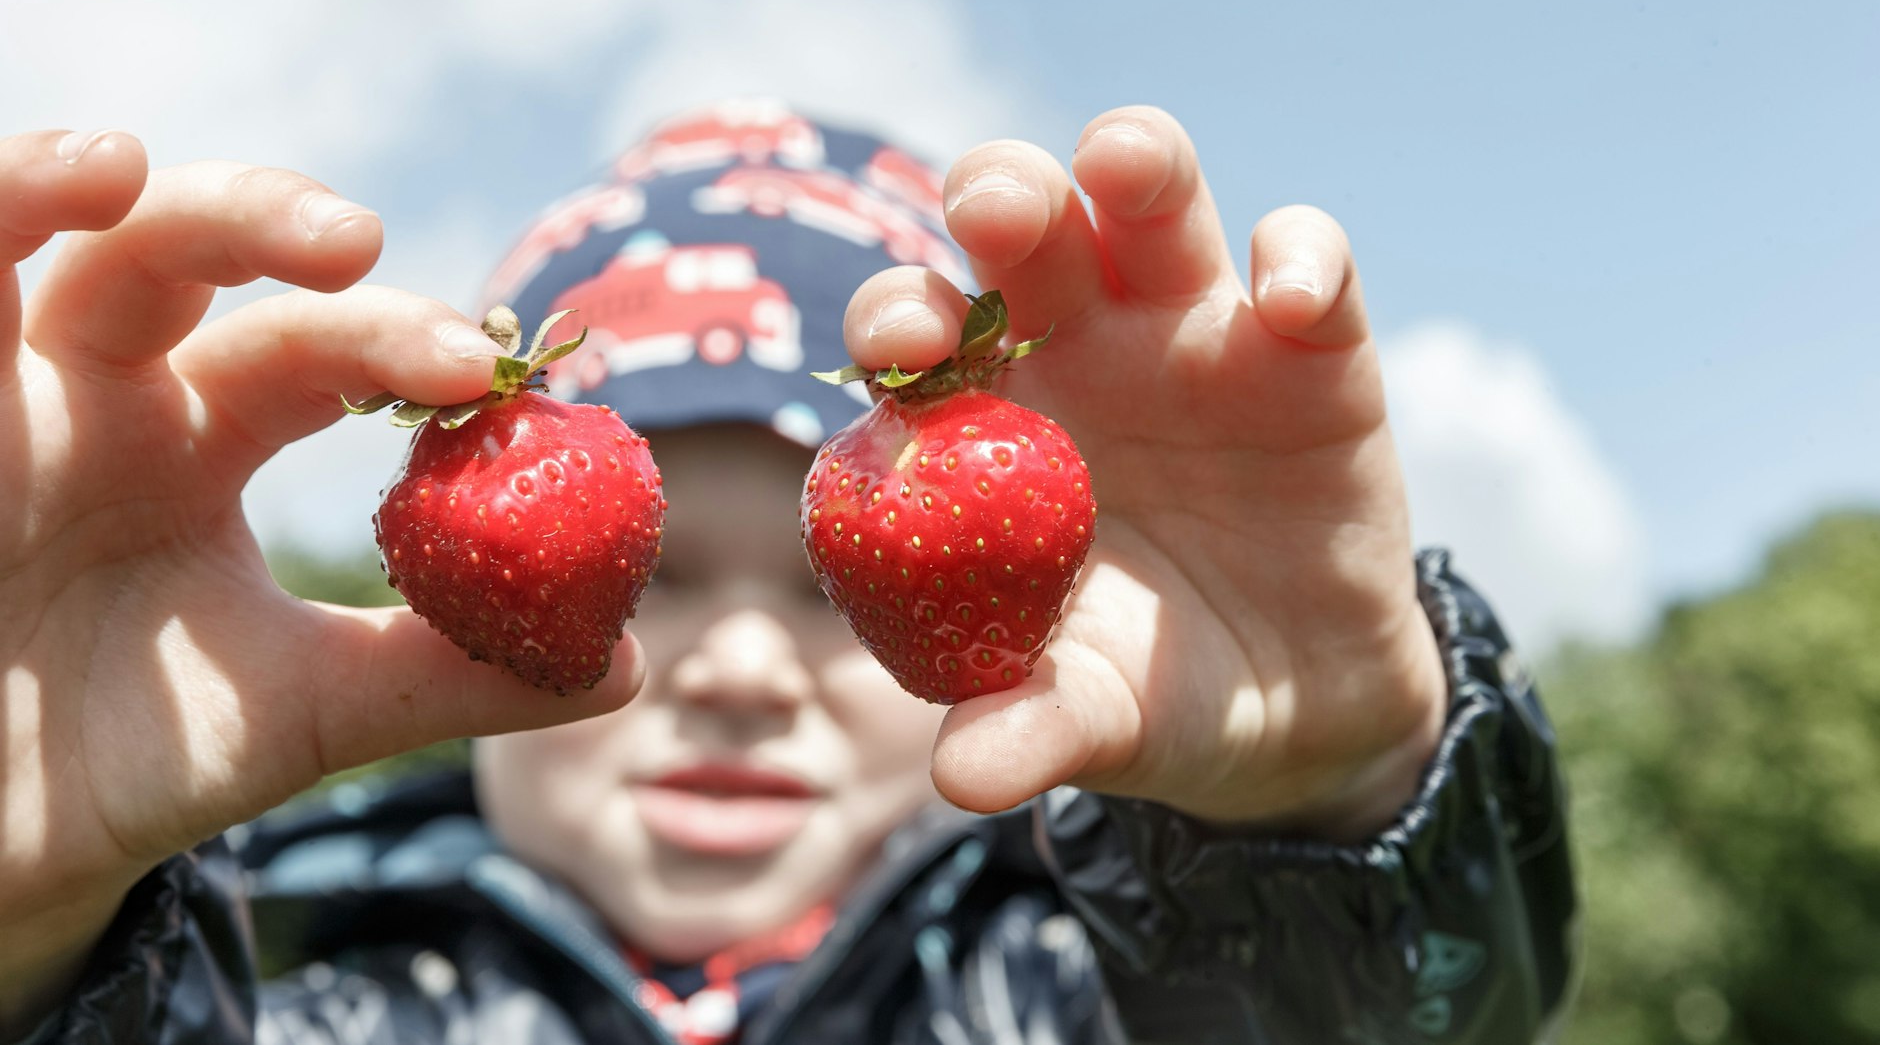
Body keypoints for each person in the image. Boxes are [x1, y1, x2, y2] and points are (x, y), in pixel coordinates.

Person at [0, 102, 1575, 1044]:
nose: (742, 674)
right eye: (651, 572)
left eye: (837, 587)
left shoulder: (1081, 993)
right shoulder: (313, 1012)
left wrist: (1338, 804)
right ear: (443, 596)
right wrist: (28, 933)